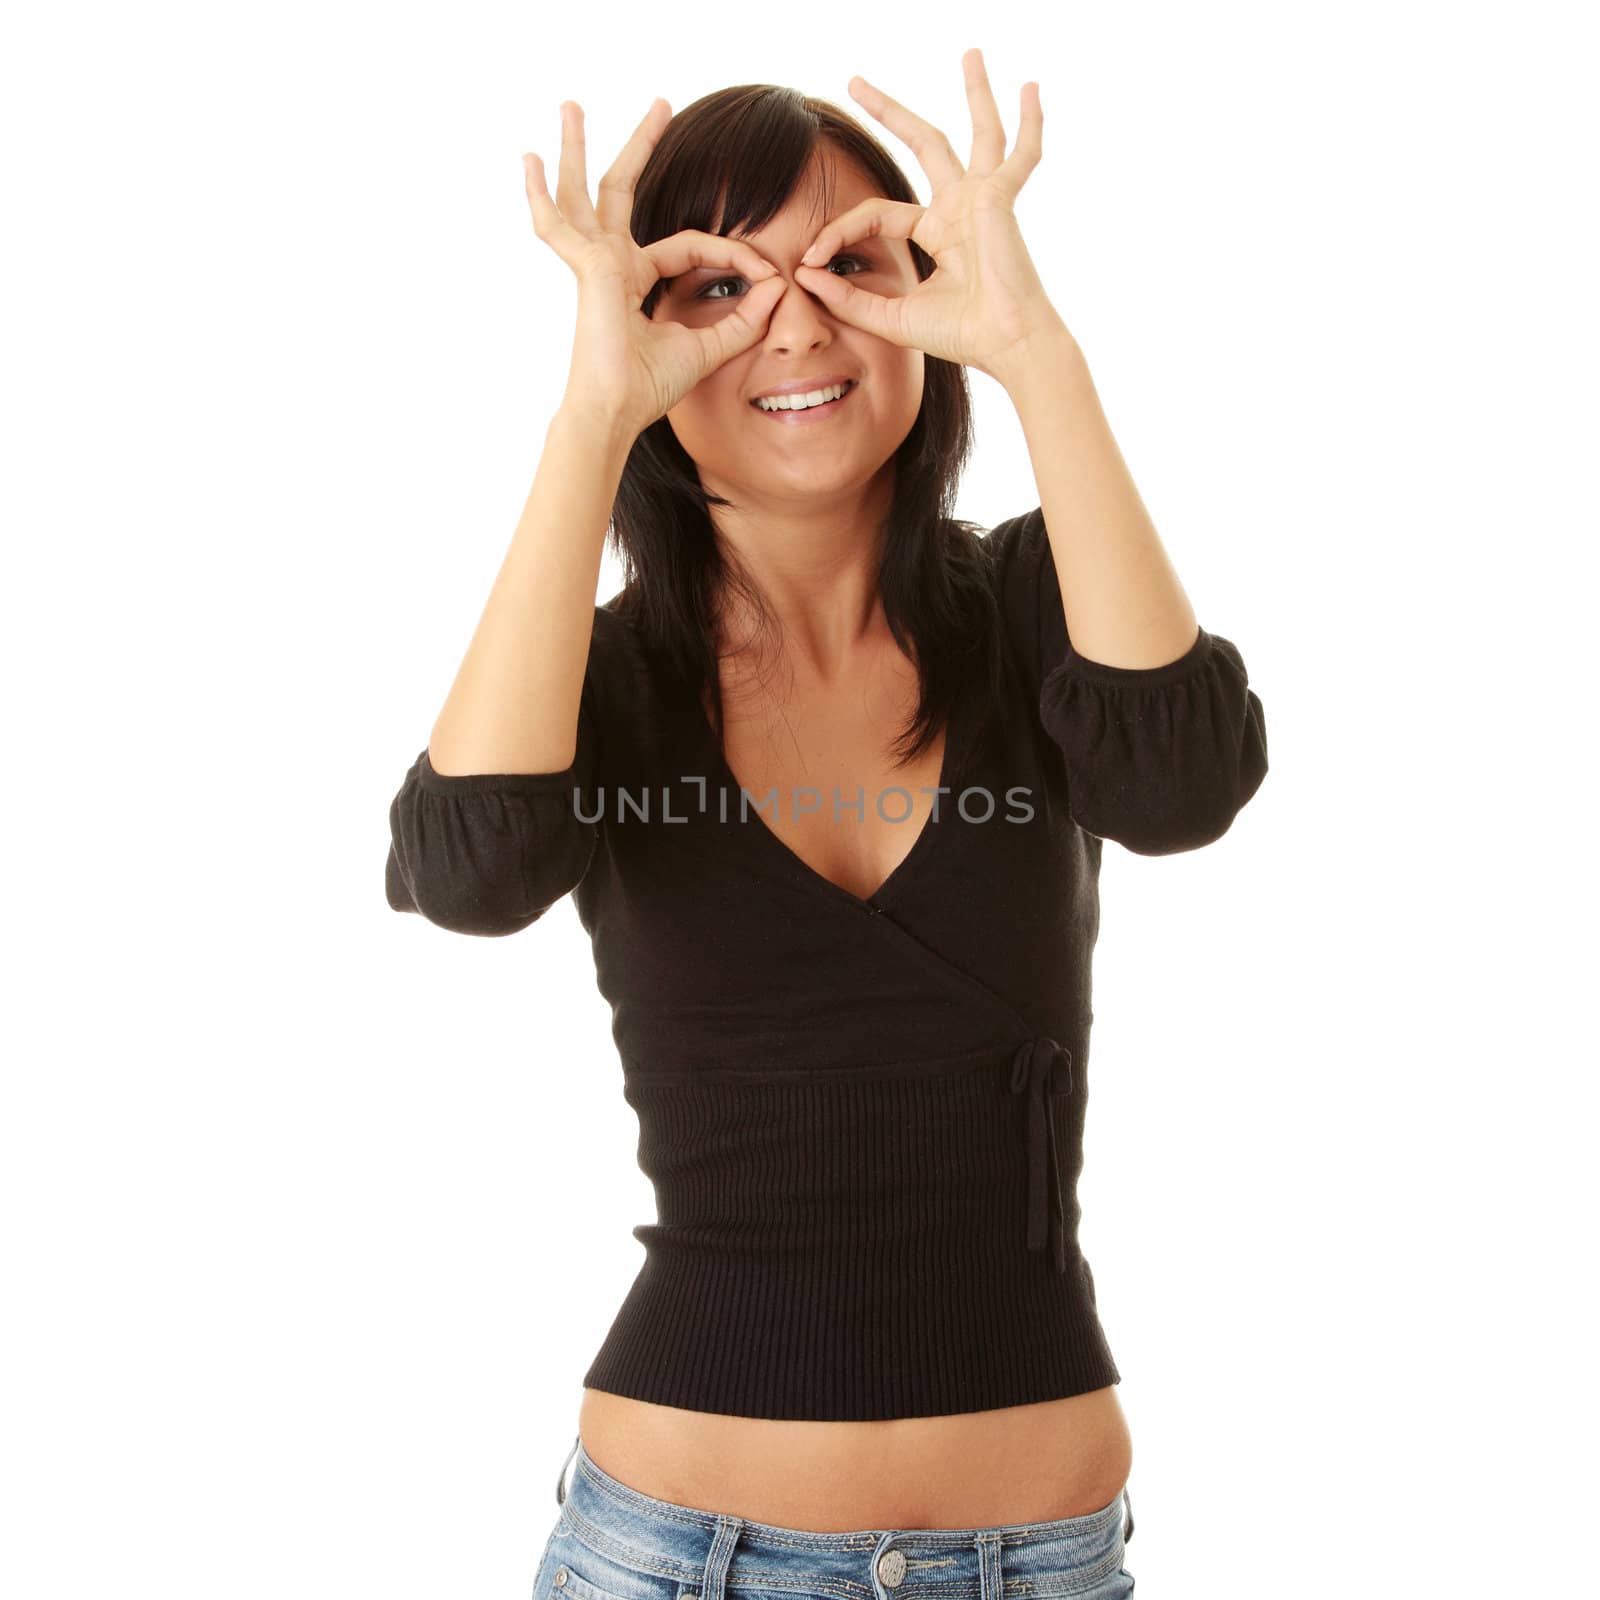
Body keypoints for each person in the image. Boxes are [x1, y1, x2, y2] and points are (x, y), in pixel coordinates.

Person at [385, 49, 1268, 1599]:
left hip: (1036, 1558)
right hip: (671, 1555)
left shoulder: (1033, 604)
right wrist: (593, 418)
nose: (797, 321)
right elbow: (470, 870)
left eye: (855, 266)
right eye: (718, 287)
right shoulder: (602, 678)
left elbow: (1180, 787)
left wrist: (1034, 350)